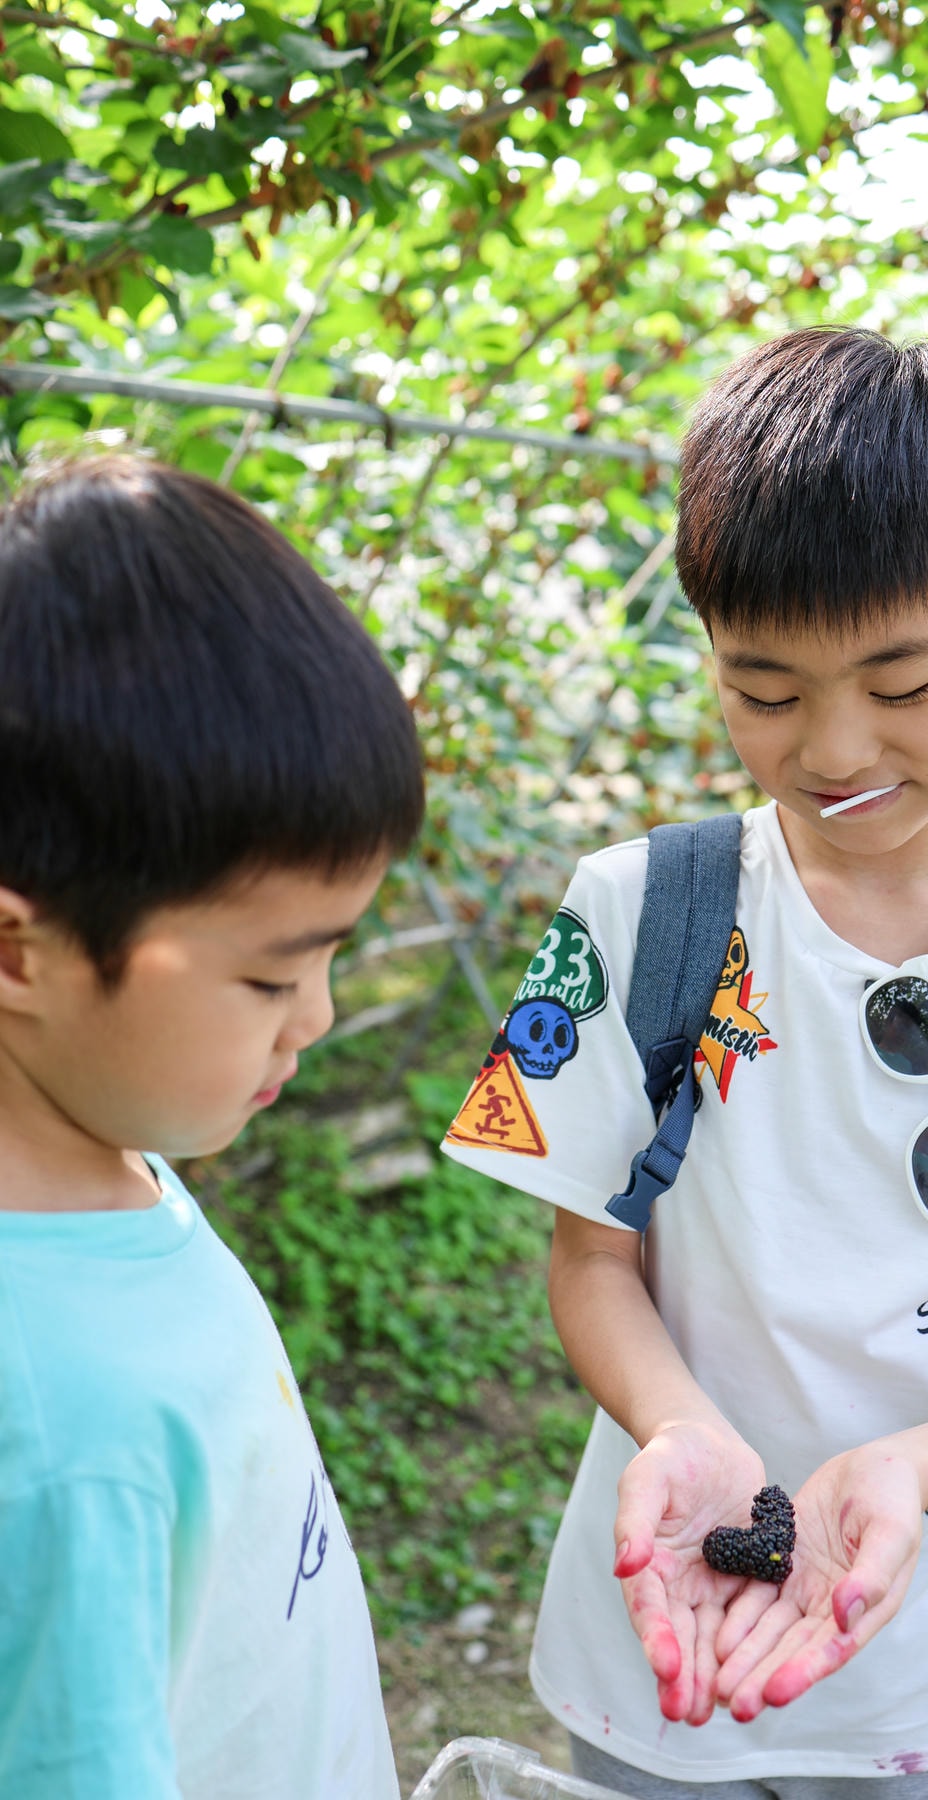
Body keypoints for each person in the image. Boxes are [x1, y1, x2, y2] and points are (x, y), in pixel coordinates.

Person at [442, 328, 928, 1799]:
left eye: (902, 682)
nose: (834, 745)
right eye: (767, 692)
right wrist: (681, 1431)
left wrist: (912, 1470)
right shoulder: (642, 914)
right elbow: (594, 1266)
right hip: (664, 1651)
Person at [0, 455, 423, 1798]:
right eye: (270, 974)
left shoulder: (111, 1166)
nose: (316, 1018)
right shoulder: (66, 1429)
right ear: (20, 955)